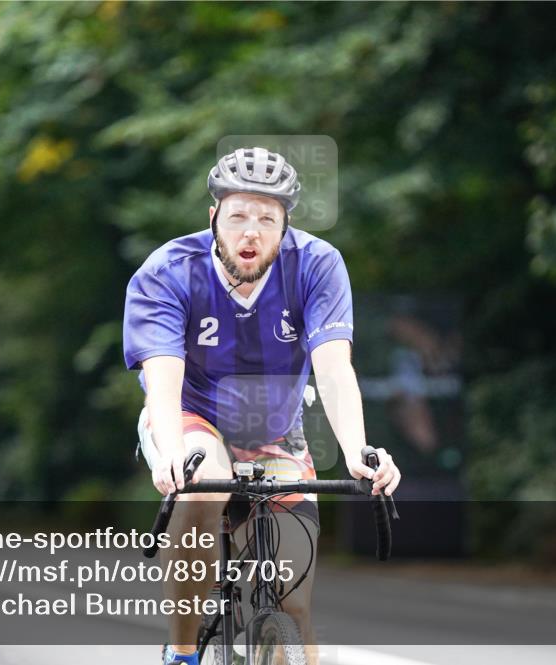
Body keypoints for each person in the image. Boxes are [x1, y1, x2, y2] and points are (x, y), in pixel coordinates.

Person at [123, 147, 401, 665]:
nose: (250, 233)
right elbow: (162, 381)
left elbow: (335, 371)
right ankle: (182, 651)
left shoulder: (317, 265)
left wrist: (360, 451)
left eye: (267, 220)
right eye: (238, 217)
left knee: (294, 608)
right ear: (213, 219)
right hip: (192, 416)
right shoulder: (169, 271)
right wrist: (169, 455)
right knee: (203, 486)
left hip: (276, 428)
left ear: (285, 225)